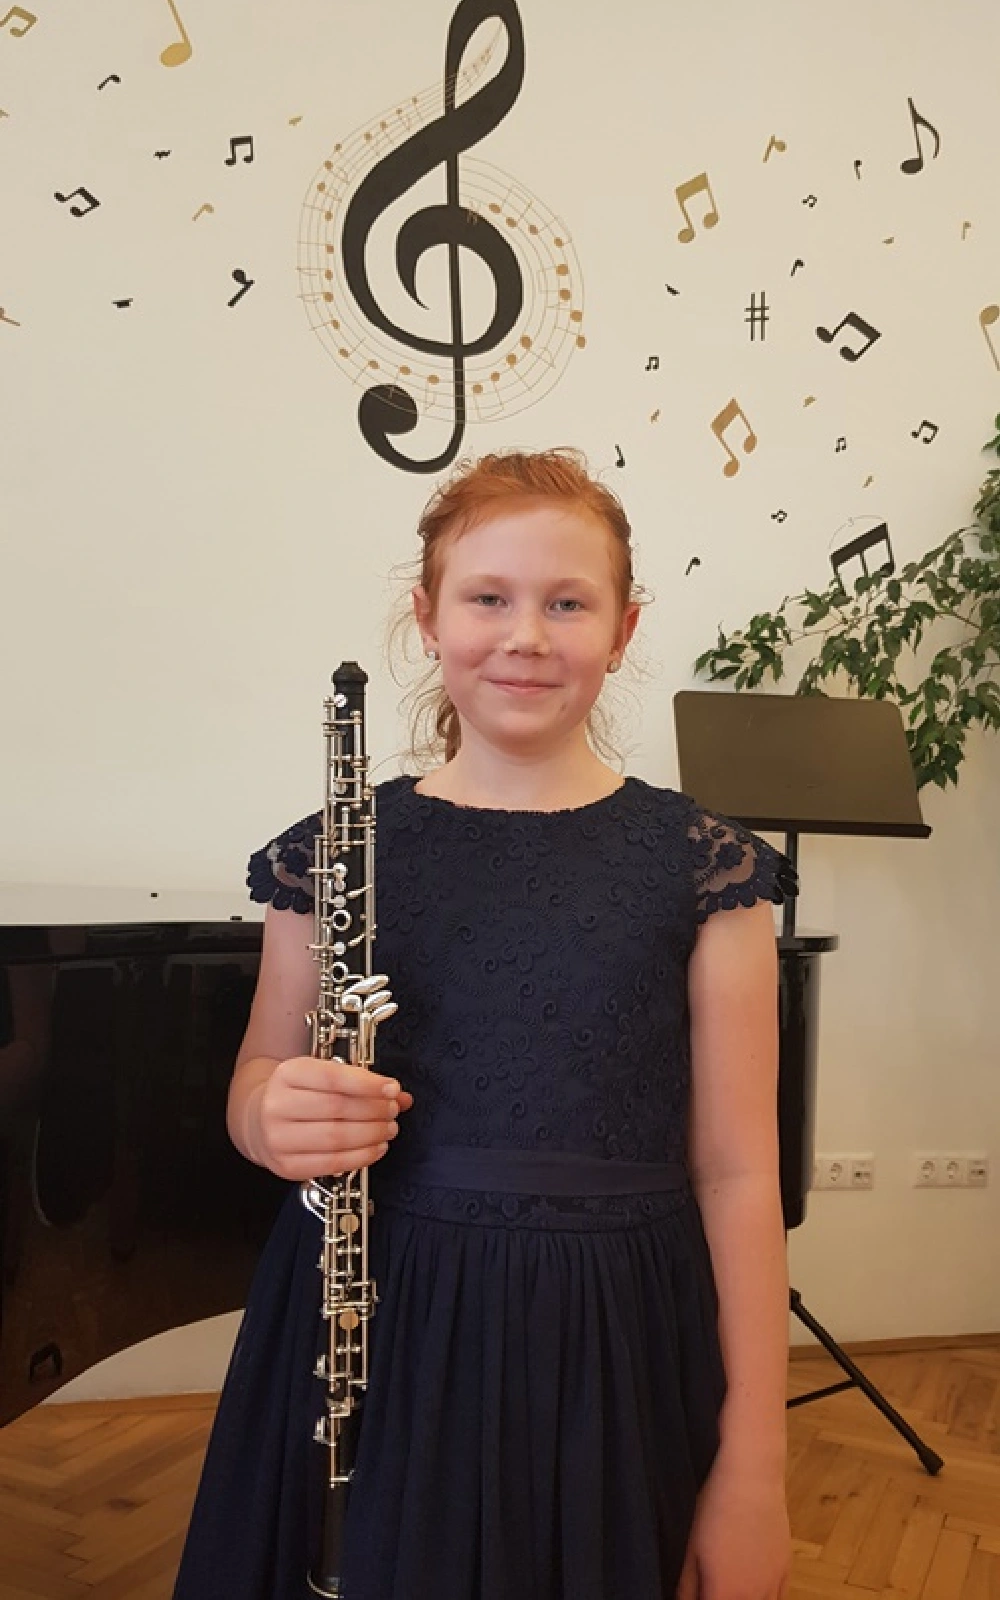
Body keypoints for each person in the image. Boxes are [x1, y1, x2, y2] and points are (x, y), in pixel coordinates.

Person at [172, 447, 798, 1600]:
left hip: (610, 1342)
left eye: (567, 603)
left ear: (623, 628)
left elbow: (737, 1172)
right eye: (488, 598)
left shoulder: (706, 867)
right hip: (382, 1328)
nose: (526, 636)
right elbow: (258, 1074)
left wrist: (754, 1467)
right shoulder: (332, 849)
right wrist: (268, 1112)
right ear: (427, 616)